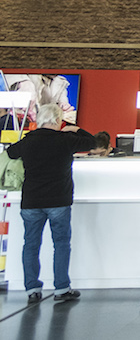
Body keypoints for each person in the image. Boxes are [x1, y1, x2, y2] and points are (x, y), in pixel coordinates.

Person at [6, 102, 95, 303]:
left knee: (30, 245)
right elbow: (92, 142)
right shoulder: (65, 140)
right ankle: (61, 288)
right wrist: (75, 129)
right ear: (57, 120)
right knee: (61, 244)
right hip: (58, 200)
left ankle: (32, 289)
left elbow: (11, 152)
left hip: (31, 201)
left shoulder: (28, 141)